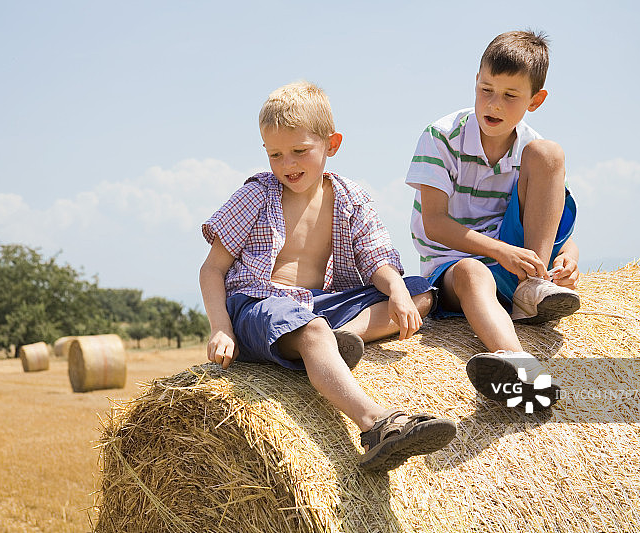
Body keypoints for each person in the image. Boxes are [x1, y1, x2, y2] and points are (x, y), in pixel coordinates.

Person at [200, 81, 456, 470]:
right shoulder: (257, 195)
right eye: (276, 155)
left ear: (332, 144)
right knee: (312, 328)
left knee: (421, 292)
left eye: (300, 151)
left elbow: (377, 260)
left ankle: (342, 338)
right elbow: (212, 268)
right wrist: (221, 327)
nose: (288, 165)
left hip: (322, 304)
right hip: (258, 305)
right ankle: (376, 424)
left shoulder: (351, 197)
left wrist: (399, 293)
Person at [405, 30, 580, 410]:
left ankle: (535, 287)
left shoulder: (530, 143)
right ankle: (523, 372)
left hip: (517, 263)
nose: (494, 104)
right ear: (475, 83)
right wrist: (500, 251)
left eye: (510, 96)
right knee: (473, 272)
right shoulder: (441, 137)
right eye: (486, 90)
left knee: (549, 154)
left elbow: (551, 212)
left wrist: (568, 254)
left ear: (536, 100)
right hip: (452, 266)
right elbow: (433, 223)